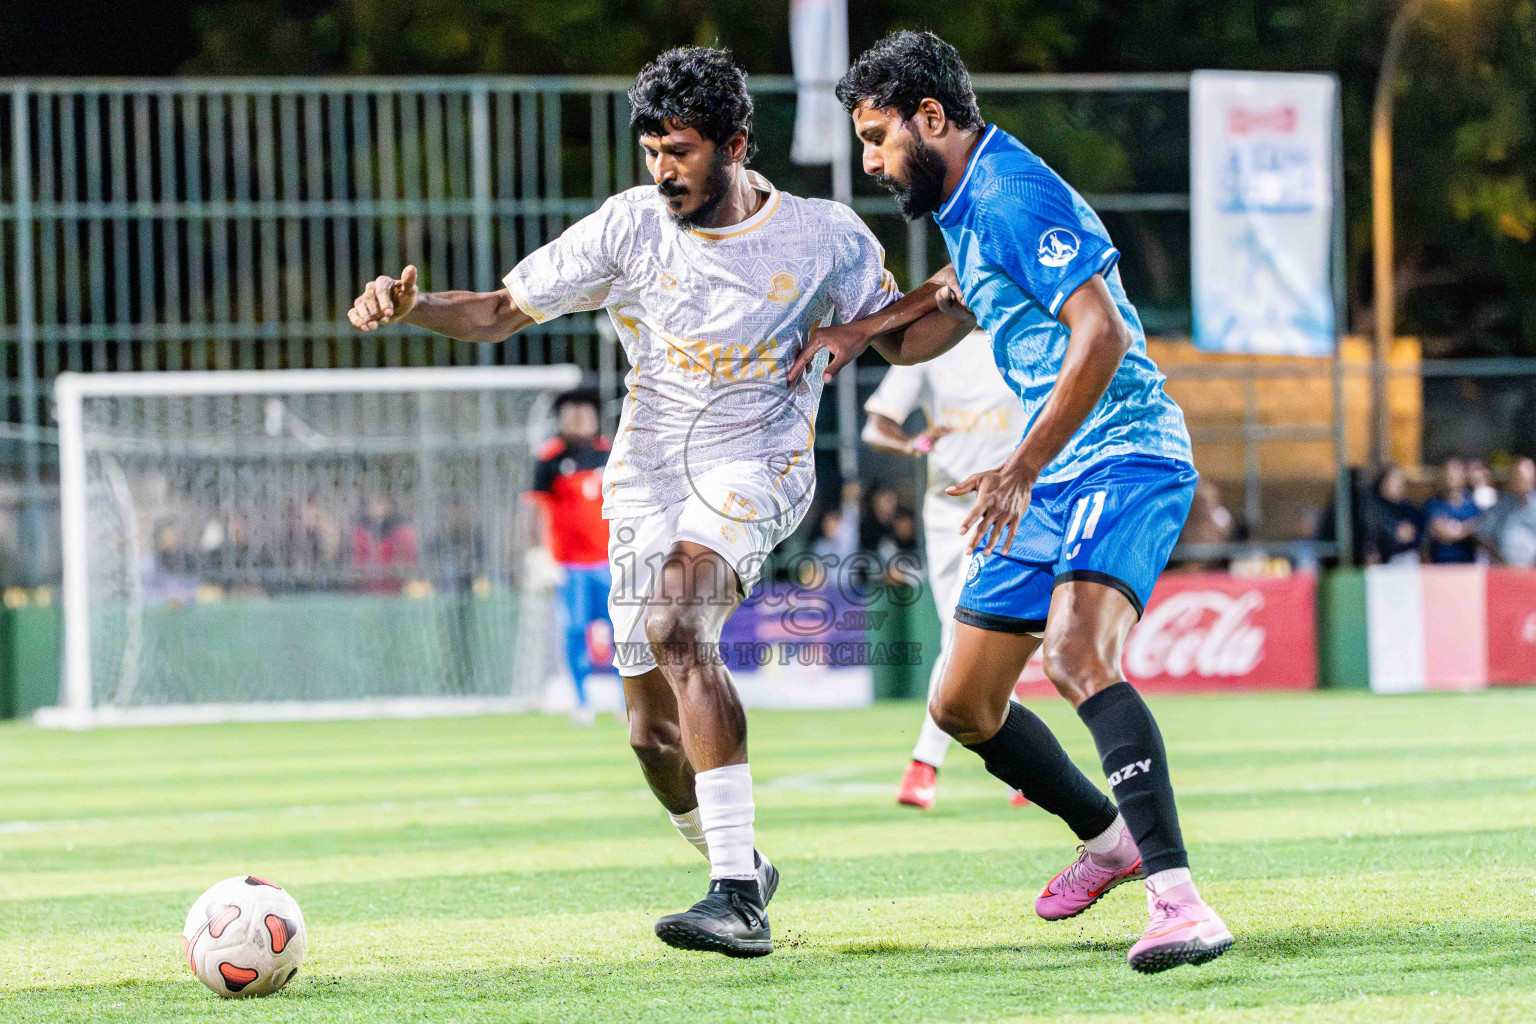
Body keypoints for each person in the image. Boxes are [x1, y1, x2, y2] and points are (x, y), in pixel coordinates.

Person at [347, 47, 968, 957]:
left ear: (735, 144)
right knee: (646, 732)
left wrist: (973, 286)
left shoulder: (823, 236)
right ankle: (742, 865)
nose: (662, 170)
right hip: (648, 471)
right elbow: (498, 311)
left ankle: (732, 900)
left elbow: (906, 344)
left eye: (678, 150)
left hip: (758, 459)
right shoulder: (629, 227)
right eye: (651, 152)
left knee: (682, 625)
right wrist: (411, 308)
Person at [793, 31, 1229, 973]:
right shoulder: (964, 203)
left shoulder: (1010, 192)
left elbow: (1103, 332)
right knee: (961, 704)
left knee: (1077, 655)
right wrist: (856, 332)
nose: (869, 161)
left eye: (876, 137)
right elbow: (950, 302)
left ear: (933, 119)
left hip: (1122, 455)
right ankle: (1106, 837)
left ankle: (1179, 900)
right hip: (1052, 471)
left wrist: (1022, 465)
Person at [862, 329, 1031, 810]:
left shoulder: (1021, 335)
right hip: (943, 511)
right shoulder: (929, 350)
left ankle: (923, 764)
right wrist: (916, 445)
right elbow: (876, 426)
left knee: (963, 634)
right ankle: (1026, 767)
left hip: (1004, 508)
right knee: (972, 638)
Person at [528, 388, 615, 723]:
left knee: (622, 631)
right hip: (570, 565)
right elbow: (538, 511)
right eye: (571, 411)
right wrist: (542, 556)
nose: (579, 418)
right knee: (575, 630)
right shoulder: (549, 458)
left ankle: (631, 702)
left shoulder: (611, 453)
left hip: (610, 562)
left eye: (585, 410)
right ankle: (582, 702)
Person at [1361, 463, 1422, 565]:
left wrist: (1413, 534)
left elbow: (1419, 535)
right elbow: (1370, 537)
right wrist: (1394, 534)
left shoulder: (1408, 508)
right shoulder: (1370, 506)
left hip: (1405, 560)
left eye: (1401, 480)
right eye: (1395, 479)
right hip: (1380, 563)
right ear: (1382, 482)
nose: (1400, 485)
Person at [1481, 457, 1536, 568]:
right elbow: (1483, 536)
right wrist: (1499, 559)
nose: (1520, 481)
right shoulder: (1499, 507)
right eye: (1517, 477)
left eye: (1524, 479)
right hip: (1503, 571)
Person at [1423, 458, 1479, 564]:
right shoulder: (1433, 505)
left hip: (1468, 567)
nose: (1451, 477)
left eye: (1456, 472)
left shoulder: (1473, 503)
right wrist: (1468, 527)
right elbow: (1442, 533)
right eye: (1448, 473)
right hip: (1440, 567)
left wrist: (1458, 528)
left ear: (1463, 476)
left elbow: (1481, 529)